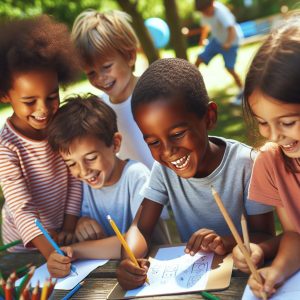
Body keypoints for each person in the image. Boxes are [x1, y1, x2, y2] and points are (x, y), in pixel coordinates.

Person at [116, 58, 275, 290]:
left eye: (178, 134)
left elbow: (265, 235)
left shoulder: (248, 164)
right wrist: (128, 259)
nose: (168, 152)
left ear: (209, 117)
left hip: (245, 280)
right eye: (153, 142)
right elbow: (140, 228)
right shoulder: (164, 170)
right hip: (195, 285)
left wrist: (224, 242)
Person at [71, 9, 171, 241]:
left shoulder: (155, 97)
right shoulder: (100, 111)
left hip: (169, 206)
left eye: (106, 67)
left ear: (129, 56)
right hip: (130, 211)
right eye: (91, 73)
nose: (100, 78)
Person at [46, 94, 160, 278]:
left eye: (91, 158)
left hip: (151, 272)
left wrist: (75, 250)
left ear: (115, 144)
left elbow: (135, 240)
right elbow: (82, 224)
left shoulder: (137, 177)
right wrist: (80, 224)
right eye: (71, 164)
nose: (83, 171)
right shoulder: (82, 185)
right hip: (109, 275)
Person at [0, 16, 82, 257]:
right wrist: (50, 251)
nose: (43, 110)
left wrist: (68, 226)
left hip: (63, 236)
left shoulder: (62, 125)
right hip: (23, 247)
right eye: (29, 101)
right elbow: (21, 208)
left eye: (51, 97)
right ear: (5, 95)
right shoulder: (6, 147)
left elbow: (75, 178)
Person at [232, 16, 300, 299]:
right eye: (262, 121)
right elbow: (295, 236)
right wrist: (277, 271)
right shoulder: (271, 162)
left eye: (287, 122)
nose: (274, 136)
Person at [194, 0, 243, 104]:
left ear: (212, 4)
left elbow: (231, 29)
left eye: (206, 11)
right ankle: (190, 82)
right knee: (199, 58)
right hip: (216, 40)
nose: (205, 14)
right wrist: (202, 39)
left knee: (230, 68)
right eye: (203, 12)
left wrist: (228, 43)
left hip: (232, 41)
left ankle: (242, 90)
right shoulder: (204, 12)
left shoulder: (221, 12)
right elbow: (205, 26)